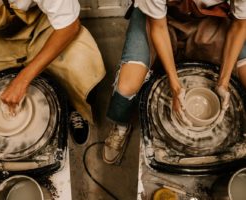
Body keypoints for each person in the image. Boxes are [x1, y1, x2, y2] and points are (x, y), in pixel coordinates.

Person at [103, 0, 246, 164]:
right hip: (159, 18)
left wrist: (223, 82)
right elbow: (158, 28)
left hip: (212, 19)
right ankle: (121, 126)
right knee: (127, 86)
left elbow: (240, 26)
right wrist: (175, 87)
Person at [0, 0, 106, 145]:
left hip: (44, 27)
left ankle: (71, 105)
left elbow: (69, 26)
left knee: (79, 62)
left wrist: (22, 79)